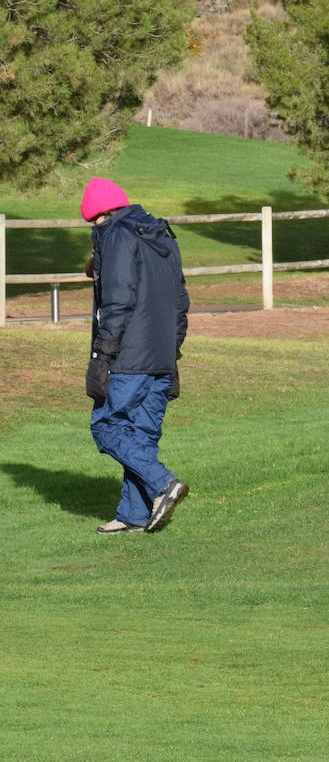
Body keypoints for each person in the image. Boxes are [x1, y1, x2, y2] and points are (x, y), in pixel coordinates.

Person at [82, 177, 191, 534]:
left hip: (128, 357)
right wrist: (172, 353)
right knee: (140, 435)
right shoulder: (163, 237)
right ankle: (134, 514)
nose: (95, 230)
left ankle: (163, 484)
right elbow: (180, 302)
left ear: (103, 214)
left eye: (94, 222)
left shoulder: (117, 236)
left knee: (107, 427)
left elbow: (118, 300)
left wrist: (103, 353)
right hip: (160, 356)